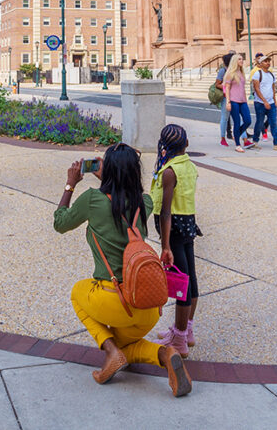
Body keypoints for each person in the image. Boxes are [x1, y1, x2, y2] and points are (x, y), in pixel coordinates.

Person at [53, 143, 192, 396]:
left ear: (109, 171)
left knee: (77, 292)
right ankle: (166, 353)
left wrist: (70, 184)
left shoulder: (93, 200)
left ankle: (109, 350)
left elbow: (60, 223)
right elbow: (133, 196)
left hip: (117, 301)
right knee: (128, 346)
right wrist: (114, 178)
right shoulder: (145, 203)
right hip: (148, 305)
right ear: (134, 172)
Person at [150, 125, 202, 357]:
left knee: (182, 286)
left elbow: (166, 211)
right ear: (187, 145)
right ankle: (186, 330)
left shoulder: (170, 171)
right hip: (188, 225)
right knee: (190, 278)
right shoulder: (189, 166)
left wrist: (165, 245)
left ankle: (179, 341)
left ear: (163, 146)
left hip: (175, 231)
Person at [250, 54, 277, 151]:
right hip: (260, 103)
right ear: (260, 63)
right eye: (265, 61)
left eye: (268, 61)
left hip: (271, 102)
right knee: (259, 122)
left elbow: (272, 88)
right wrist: (264, 101)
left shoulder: (271, 74)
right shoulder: (257, 74)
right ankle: (255, 141)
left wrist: (274, 101)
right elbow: (257, 89)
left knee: (273, 123)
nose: (268, 63)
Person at [222, 54, 253, 153]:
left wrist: (246, 99)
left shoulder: (242, 72)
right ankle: (238, 145)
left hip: (243, 101)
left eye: (242, 59)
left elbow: (242, 88)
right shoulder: (230, 73)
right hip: (233, 100)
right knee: (236, 122)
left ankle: (237, 135)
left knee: (248, 120)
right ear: (235, 61)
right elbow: (227, 88)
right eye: (239, 59)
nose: (242, 60)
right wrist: (228, 102)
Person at [215, 51, 235, 147]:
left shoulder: (236, 70)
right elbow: (217, 84)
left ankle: (243, 138)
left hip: (236, 97)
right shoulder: (223, 70)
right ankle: (223, 138)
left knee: (241, 118)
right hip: (226, 97)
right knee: (225, 117)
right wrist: (226, 88)